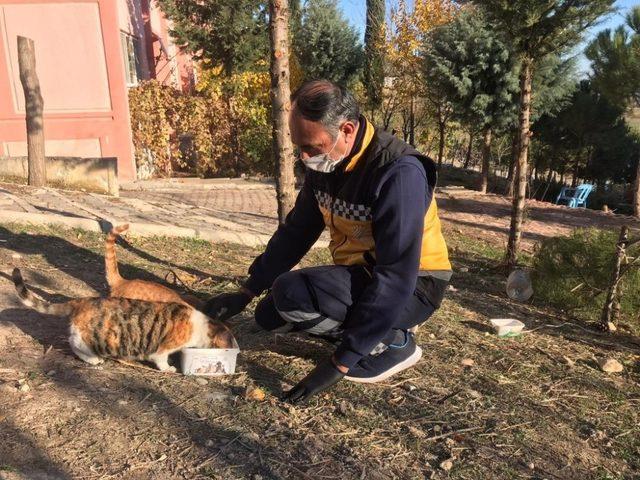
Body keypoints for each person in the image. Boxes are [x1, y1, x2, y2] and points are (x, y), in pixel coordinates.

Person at [204, 79, 451, 403]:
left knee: (290, 293)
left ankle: (393, 343)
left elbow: (396, 273)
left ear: (347, 130)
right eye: (299, 147)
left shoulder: (398, 172)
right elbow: (297, 231)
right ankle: (367, 329)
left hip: (416, 283)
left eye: (312, 148)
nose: (305, 157)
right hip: (363, 272)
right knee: (270, 314)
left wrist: (341, 361)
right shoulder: (328, 162)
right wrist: (247, 291)